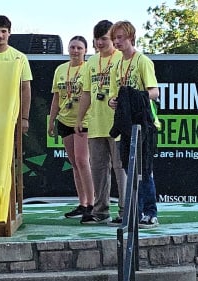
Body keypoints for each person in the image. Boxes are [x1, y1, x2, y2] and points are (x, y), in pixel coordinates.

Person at [108, 20, 160, 228]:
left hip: (144, 124)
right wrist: (114, 101)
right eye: (114, 38)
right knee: (130, 170)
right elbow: (115, 95)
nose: (117, 42)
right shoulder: (117, 65)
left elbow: (154, 92)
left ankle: (151, 213)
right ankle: (134, 213)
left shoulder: (143, 61)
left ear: (131, 37)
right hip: (126, 125)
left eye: (120, 37)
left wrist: (134, 97)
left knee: (144, 169)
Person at [75, 20, 126, 225]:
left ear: (113, 38)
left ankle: (125, 210)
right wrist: (79, 118)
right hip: (96, 124)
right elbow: (86, 92)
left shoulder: (122, 58)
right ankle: (100, 210)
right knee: (98, 168)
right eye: (97, 39)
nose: (100, 43)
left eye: (104, 39)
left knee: (120, 167)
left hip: (117, 124)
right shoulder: (91, 62)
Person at [47, 36, 94, 219]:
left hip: (83, 120)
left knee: (83, 161)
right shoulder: (60, 69)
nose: (75, 51)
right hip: (64, 119)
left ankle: (92, 204)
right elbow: (56, 98)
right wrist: (51, 121)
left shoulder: (89, 69)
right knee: (74, 163)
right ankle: (82, 203)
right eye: (72, 47)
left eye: (79, 48)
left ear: (85, 51)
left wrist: (81, 119)